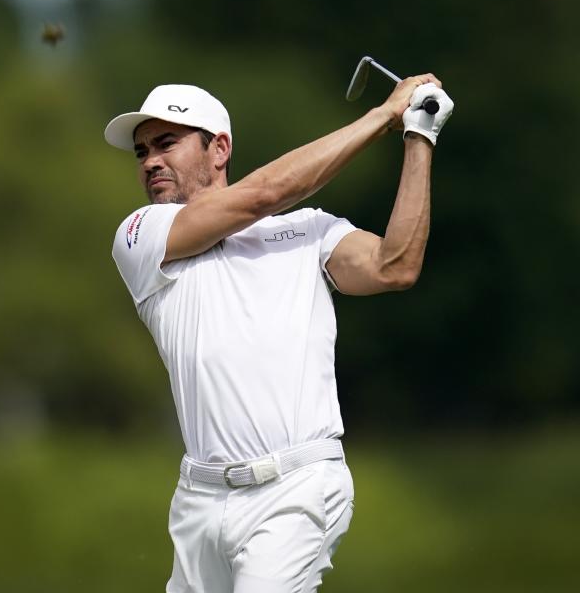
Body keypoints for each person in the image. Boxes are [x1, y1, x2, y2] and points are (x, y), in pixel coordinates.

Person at [105, 78, 454, 593]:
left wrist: (417, 135)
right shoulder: (142, 235)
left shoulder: (310, 232)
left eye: (166, 144)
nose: (150, 161)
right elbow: (265, 194)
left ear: (218, 148)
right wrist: (381, 115)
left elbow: (393, 266)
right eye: (142, 152)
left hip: (296, 486)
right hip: (198, 500)